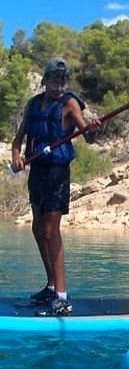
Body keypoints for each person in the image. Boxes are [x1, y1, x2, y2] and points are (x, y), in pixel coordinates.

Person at [11, 57, 102, 316]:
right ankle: (51, 285)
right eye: (54, 79)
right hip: (37, 172)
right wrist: (16, 157)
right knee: (38, 229)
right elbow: (19, 141)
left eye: (63, 79)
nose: (59, 84)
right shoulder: (33, 104)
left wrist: (95, 129)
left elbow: (89, 137)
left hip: (57, 173)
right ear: (45, 80)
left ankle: (62, 296)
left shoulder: (70, 103)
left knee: (51, 231)